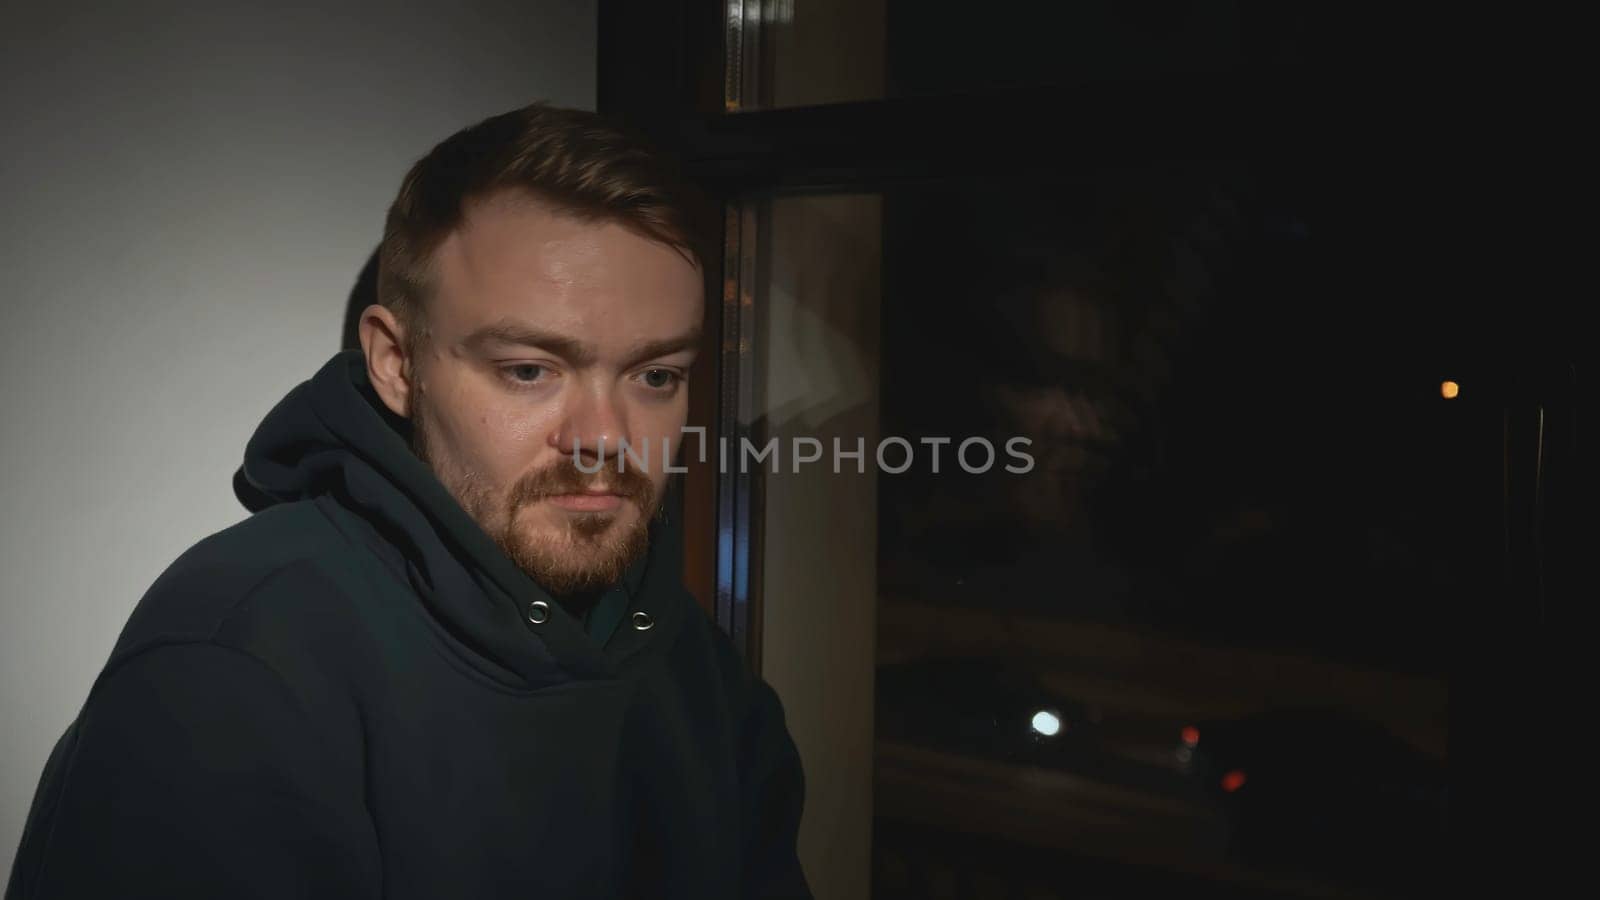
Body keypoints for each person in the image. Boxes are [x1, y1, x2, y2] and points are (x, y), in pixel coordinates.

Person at [5, 102, 811, 900]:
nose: (604, 436)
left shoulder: (703, 678)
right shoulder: (237, 662)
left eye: (655, 376)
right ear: (396, 362)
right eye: (530, 369)